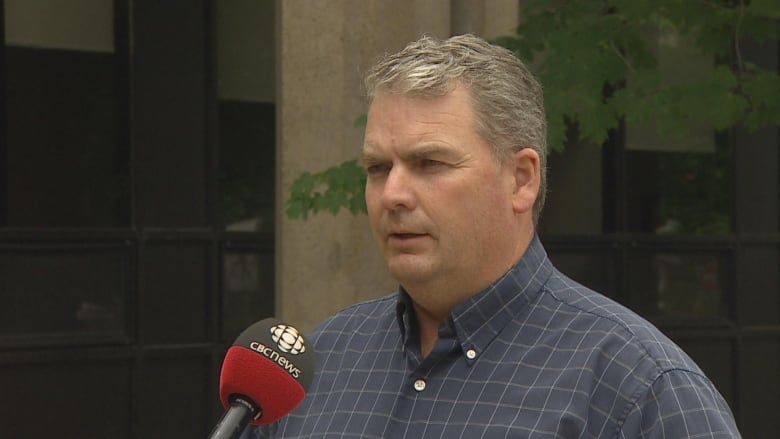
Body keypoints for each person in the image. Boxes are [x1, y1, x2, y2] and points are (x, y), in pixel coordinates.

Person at [245, 34, 741, 438]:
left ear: (521, 179)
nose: (392, 193)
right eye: (378, 168)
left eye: (429, 163)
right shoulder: (312, 367)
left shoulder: (638, 388)